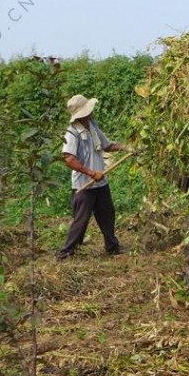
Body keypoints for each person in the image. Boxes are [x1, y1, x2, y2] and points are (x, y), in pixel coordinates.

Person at [57, 94, 126, 259]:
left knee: (107, 215)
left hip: (100, 184)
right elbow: (68, 159)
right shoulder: (72, 133)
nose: (92, 111)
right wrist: (90, 173)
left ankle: (112, 247)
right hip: (84, 186)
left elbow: (107, 146)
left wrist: (125, 147)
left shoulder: (93, 126)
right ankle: (66, 253)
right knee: (81, 221)